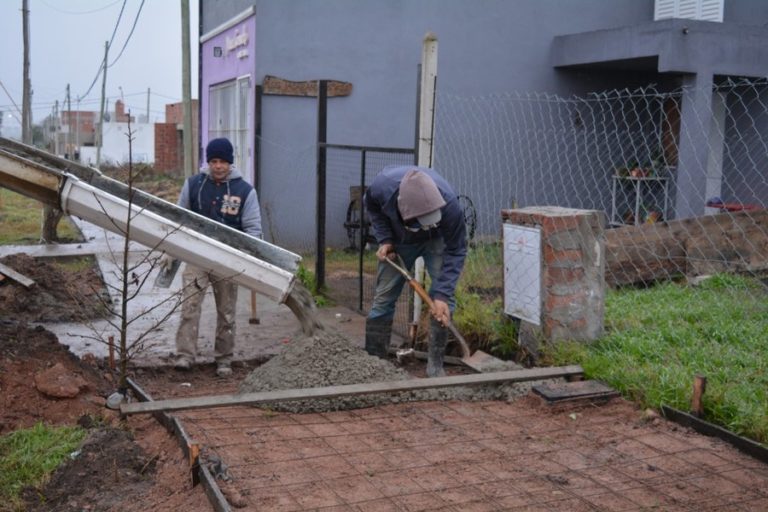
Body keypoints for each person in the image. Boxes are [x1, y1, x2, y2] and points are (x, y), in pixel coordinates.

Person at [170, 137, 262, 377]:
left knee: (227, 311)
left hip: (227, 260)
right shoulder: (194, 185)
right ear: (208, 161)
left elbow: (253, 230)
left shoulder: (245, 191)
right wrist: (173, 249)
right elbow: (179, 217)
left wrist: (249, 257)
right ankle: (185, 355)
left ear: (231, 162)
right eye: (214, 161)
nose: (218, 166)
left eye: (222, 161)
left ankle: (224, 359)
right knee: (190, 305)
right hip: (196, 255)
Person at [364, 165, 467, 377]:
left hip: (437, 242)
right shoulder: (382, 187)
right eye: (422, 224)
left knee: (444, 304)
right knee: (384, 298)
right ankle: (374, 366)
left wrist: (441, 294)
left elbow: (457, 250)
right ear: (403, 209)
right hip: (400, 240)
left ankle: (435, 368)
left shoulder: (450, 206)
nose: (425, 227)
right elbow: (372, 207)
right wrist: (385, 239)